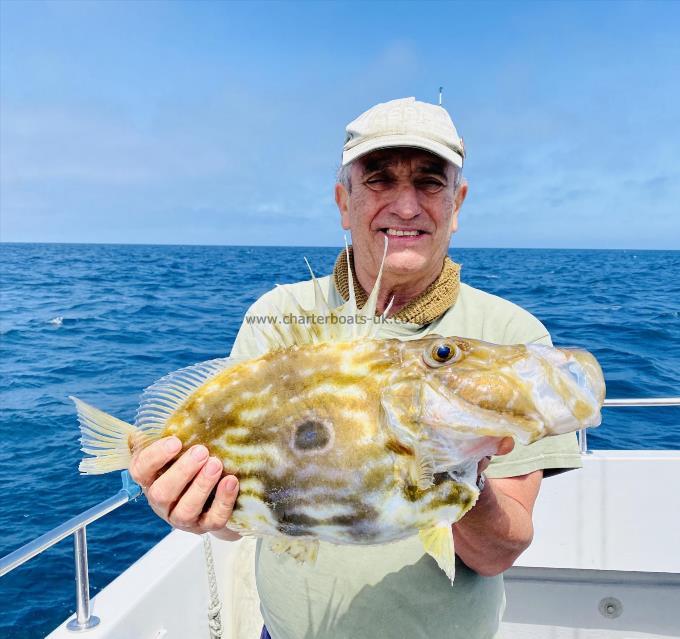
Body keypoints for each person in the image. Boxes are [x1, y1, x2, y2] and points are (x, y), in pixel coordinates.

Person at [130, 97, 582, 639]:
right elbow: (241, 516)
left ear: (457, 204)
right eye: (379, 180)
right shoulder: (279, 317)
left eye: (430, 182)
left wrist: (459, 471)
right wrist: (195, 506)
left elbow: (497, 552)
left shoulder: (511, 340)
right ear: (344, 202)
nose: (407, 206)